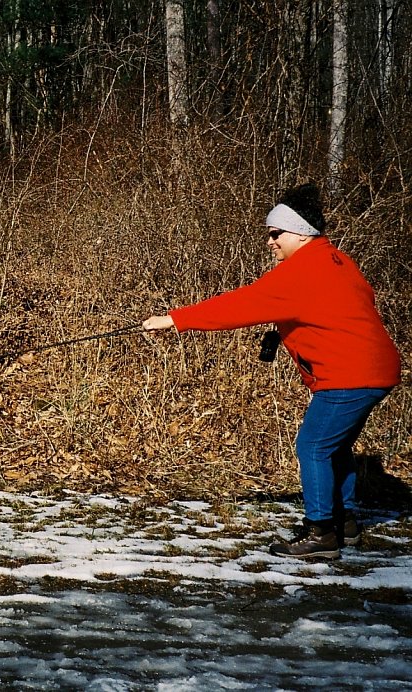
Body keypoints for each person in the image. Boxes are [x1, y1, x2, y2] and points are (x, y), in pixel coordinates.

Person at [142, 182, 401, 559]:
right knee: (336, 446)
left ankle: (321, 534)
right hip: (374, 370)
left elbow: (240, 305)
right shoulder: (337, 260)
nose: (270, 242)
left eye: (275, 234)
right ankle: (342, 522)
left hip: (350, 374)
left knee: (312, 445)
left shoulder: (301, 271)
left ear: (299, 233)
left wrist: (174, 319)